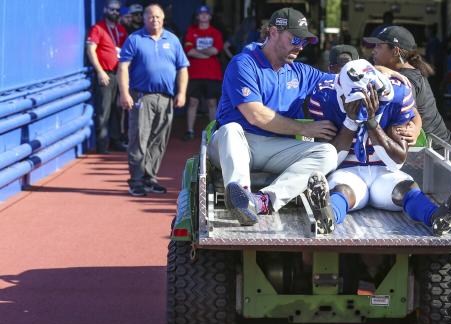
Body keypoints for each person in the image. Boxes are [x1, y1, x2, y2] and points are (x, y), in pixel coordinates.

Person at [208, 7, 341, 231]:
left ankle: (262, 201)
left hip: (275, 148)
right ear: (272, 32)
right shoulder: (244, 63)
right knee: (231, 129)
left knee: (328, 154)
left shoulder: (301, 71)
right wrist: (306, 129)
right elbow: (255, 114)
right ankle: (240, 195)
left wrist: (383, 72)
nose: (300, 46)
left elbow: (344, 80)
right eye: (295, 39)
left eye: (304, 41)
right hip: (235, 144)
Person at [308, 59, 451, 235]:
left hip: (385, 171)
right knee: (342, 191)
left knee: (406, 188)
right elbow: (330, 159)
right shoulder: (325, 96)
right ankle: (328, 217)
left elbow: (396, 162)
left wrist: (371, 122)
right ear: (340, 93)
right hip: (347, 170)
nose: (371, 102)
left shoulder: (398, 93)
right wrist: (351, 121)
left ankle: (437, 217)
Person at [117, 4, 189, 196]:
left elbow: (182, 67)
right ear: (144, 19)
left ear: (163, 18)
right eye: (150, 17)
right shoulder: (134, 39)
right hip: (142, 97)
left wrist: (181, 93)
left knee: (159, 141)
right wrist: (124, 93)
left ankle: (150, 177)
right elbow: (123, 67)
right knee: (139, 139)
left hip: (166, 98)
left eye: (158, 17)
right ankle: (136, 180)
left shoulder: (172, 40)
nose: (154, 20)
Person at [364, 26, 451, 150]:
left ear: (395, 51)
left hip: (434, 151)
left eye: (378, 46)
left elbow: (412, 113)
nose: (373, 51)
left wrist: (415, 129)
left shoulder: (407, 79)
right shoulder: (399, 72)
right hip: (433, 146)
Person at [86, 0, 128, 154]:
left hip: (119, 74)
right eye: (112, 10)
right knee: (104, 110)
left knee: (118, 109)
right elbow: (91, 50)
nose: (115, 12)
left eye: (117, 10)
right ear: (105, 10)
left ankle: (115, 141)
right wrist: (99, 71)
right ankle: (102, 144)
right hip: (105, 74)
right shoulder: (98, 28)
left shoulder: (121, 29)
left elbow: (125, 52)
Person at [182, 5, 224, 141]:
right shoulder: (191, 31)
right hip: (194, 73)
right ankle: (189, 130)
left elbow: (216, 50)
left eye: (206, 14)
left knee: (212, 103)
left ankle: (213, 131)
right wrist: (207, 53)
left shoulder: (216, 32)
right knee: (193, 102)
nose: (204, 16)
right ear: (197, 17)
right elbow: (189, 50)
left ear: (210, 16)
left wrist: (198, 52)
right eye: (201, 14)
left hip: (212, 74)